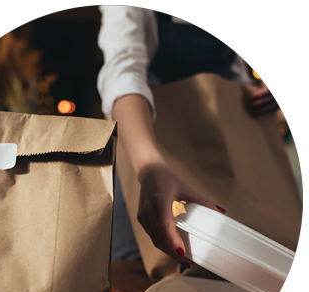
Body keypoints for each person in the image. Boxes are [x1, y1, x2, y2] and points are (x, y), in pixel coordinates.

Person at [97, 6, 279, 269]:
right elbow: (123, 74)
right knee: (132, 282)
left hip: (222, 166)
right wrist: (150, 166)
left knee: (228, 282)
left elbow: (234, 74)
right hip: (147, 166)